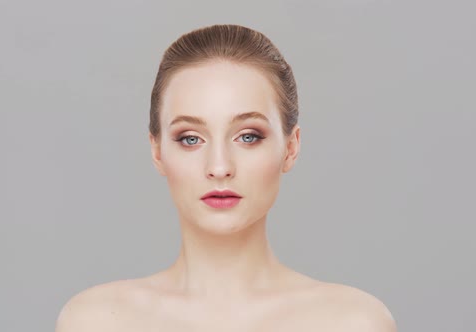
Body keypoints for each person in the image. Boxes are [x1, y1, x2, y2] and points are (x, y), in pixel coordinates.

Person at [55, 24, 397, 331]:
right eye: (190, 138)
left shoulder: (352, 322)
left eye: (248, 136)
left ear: (291, 148)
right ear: (157, 151)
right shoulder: (95, 321)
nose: (219, 167)